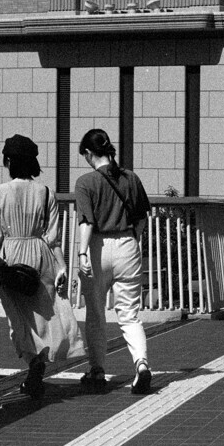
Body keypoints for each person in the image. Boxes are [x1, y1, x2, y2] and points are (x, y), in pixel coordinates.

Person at [0, 134, 82, 401]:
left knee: (18, 320)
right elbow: (53, 237)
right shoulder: (45, 192)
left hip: (12, 256)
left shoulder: (0, 192)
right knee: (42, 317)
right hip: (40, 257)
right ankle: (39, 363)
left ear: (9, 161)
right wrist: (62, 267)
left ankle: (33, 364)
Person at [74, 129, 153, 395]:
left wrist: (82, 253)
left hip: (98, 247)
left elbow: (86, 221)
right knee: (129, 315)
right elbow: (141, 218)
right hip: (128, 245)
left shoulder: (85, 182)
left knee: (95, 314)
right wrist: (133, 240)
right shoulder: (131, 178)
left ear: (88, 154)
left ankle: (97, 371)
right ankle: (141, 365)